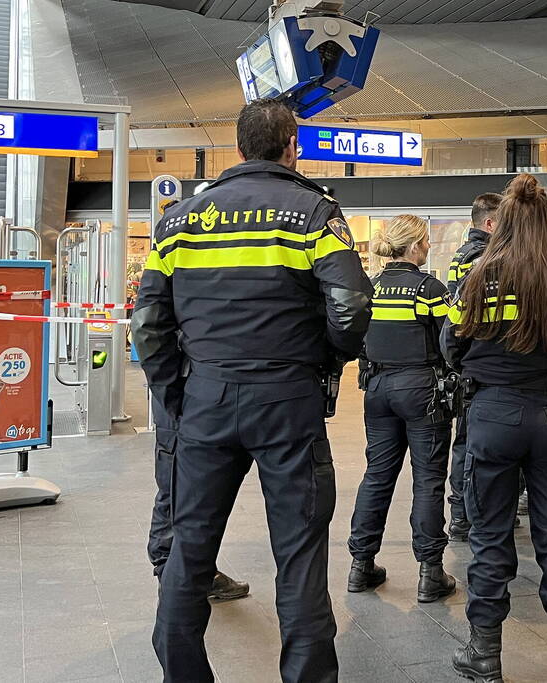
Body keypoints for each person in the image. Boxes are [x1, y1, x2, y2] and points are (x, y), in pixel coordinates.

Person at [132, 98, 372, 683]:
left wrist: (177, 394)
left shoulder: (181, 220)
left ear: (237, 150)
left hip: (205, 399)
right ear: (293, 146)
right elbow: (351, 304)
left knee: (189, 548)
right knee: (299, 554)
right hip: (287, 402)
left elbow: (147, 323)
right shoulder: (314, 214)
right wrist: (326, 359)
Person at [443, 174, 547, 683]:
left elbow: (452, 347)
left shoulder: (477, 279)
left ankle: (484, 655)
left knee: (489, 537)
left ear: (503, 223)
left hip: (491, 417)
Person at [347, 214, 457, 603]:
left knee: (377, 474)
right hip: (422, 391)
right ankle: (430, 573)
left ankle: (361, 565)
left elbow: (355, 336)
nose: (427, 248)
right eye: (425, 242)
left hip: (376, 389)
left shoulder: (370, 288)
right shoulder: (429, 289)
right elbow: (451, 340)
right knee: (427, 479)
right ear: (413, 247)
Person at [147, 389, 249, 601]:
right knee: (174, 490)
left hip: (197, 400)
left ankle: (194, 574)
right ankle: (170, 575)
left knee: (194, 494)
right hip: (182, 402)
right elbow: (155, 359)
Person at [446, 192, 503, 542]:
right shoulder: (483, 257)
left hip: (467, 361)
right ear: (490, 223)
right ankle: (465, 514)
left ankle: (459, 512)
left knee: (463, 442)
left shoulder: (461, 254)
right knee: (471, 444)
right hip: (481, 363)